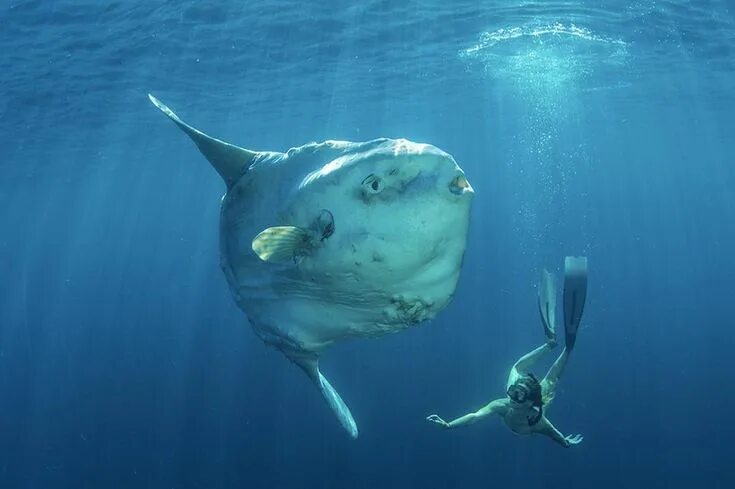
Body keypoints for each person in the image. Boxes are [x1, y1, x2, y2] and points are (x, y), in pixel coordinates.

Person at [426, 257, 588, 448]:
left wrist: (564, 442)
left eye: (516, 395)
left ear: (528, 403)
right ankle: (550, 345)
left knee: (550, 379)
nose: (511, 397)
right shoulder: (503, 405)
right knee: (521, 369)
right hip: (531, 399)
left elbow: (554, 434)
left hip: (537, 402)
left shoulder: (538, 422)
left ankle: (565, 349)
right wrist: (448, 425)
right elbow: (475, 416)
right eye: (512, 392)